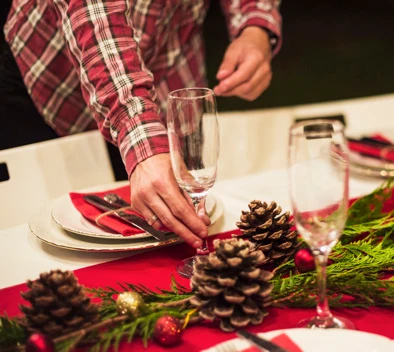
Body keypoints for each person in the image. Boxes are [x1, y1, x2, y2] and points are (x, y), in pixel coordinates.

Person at [2, 0, 282, 248]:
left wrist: (255, 25)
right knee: (45, 240)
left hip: (168, 69)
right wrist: (140, 137)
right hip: (51, 83)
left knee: (161, 231)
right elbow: (96, 16)